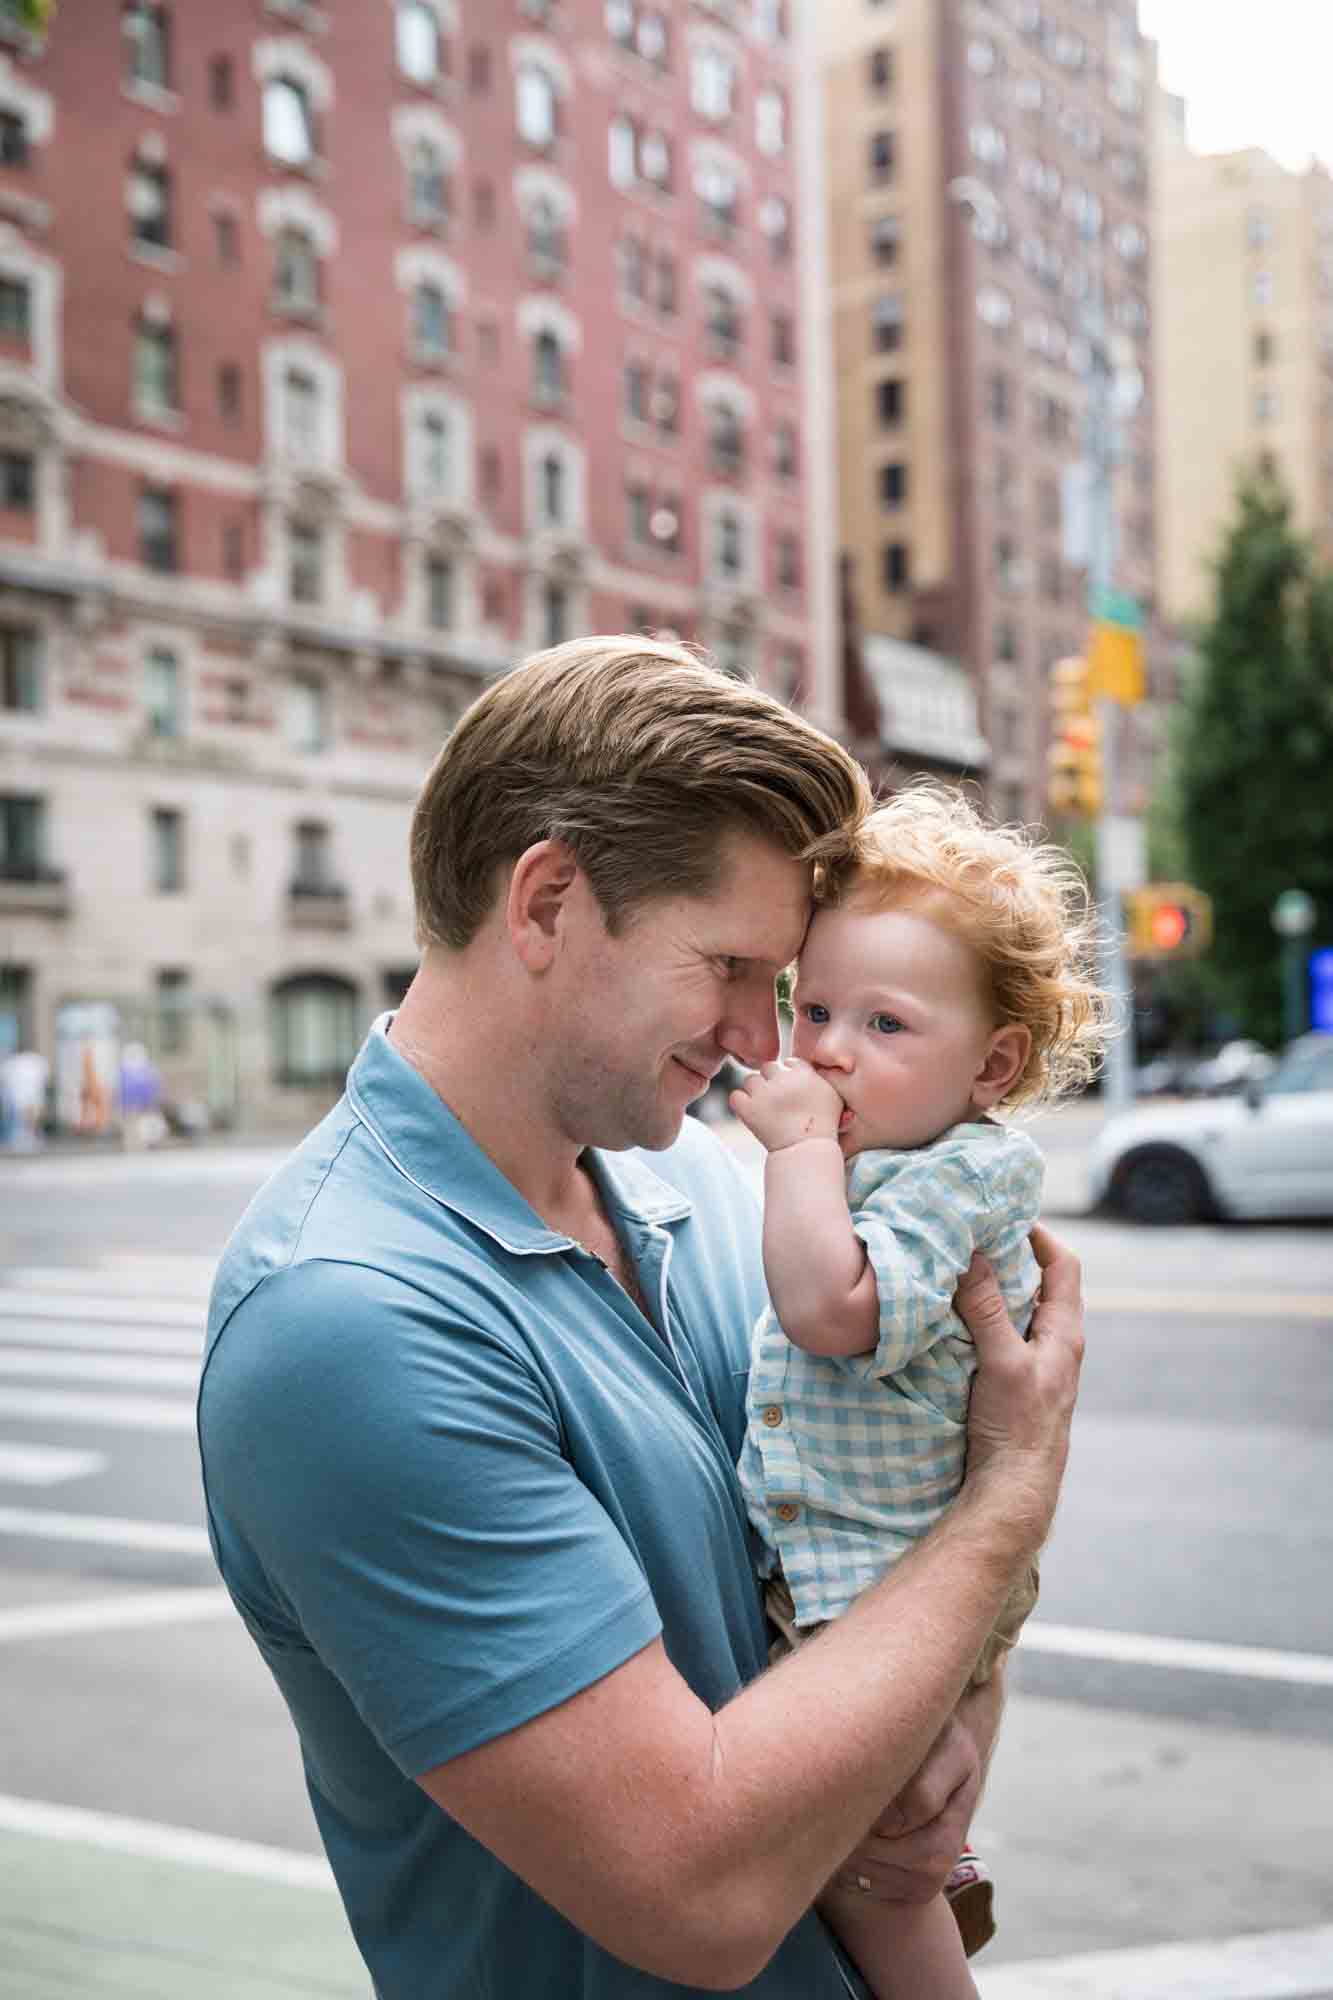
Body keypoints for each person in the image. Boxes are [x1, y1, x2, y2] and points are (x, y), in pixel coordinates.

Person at [197, 637, 1085, 2000]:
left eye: (777, 987)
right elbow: (698, 1897)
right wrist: (1013, 1494)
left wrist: (949, 1712)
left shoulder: (694, 1179)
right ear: (547, 902)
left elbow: (882, 1550)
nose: (758, 1039)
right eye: (730, 967)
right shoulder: (349, 1323)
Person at [731, 784, 1110, 1998]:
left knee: (874, 1880)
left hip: (879, 1582)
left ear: (992, 1063)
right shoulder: (889, 1157)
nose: (831, 1048)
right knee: (896, 1854)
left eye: (886, 1024)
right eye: (818, 1007)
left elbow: (834, 1311)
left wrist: (795, 1151)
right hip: (874, 1565)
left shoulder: (961, 1173)